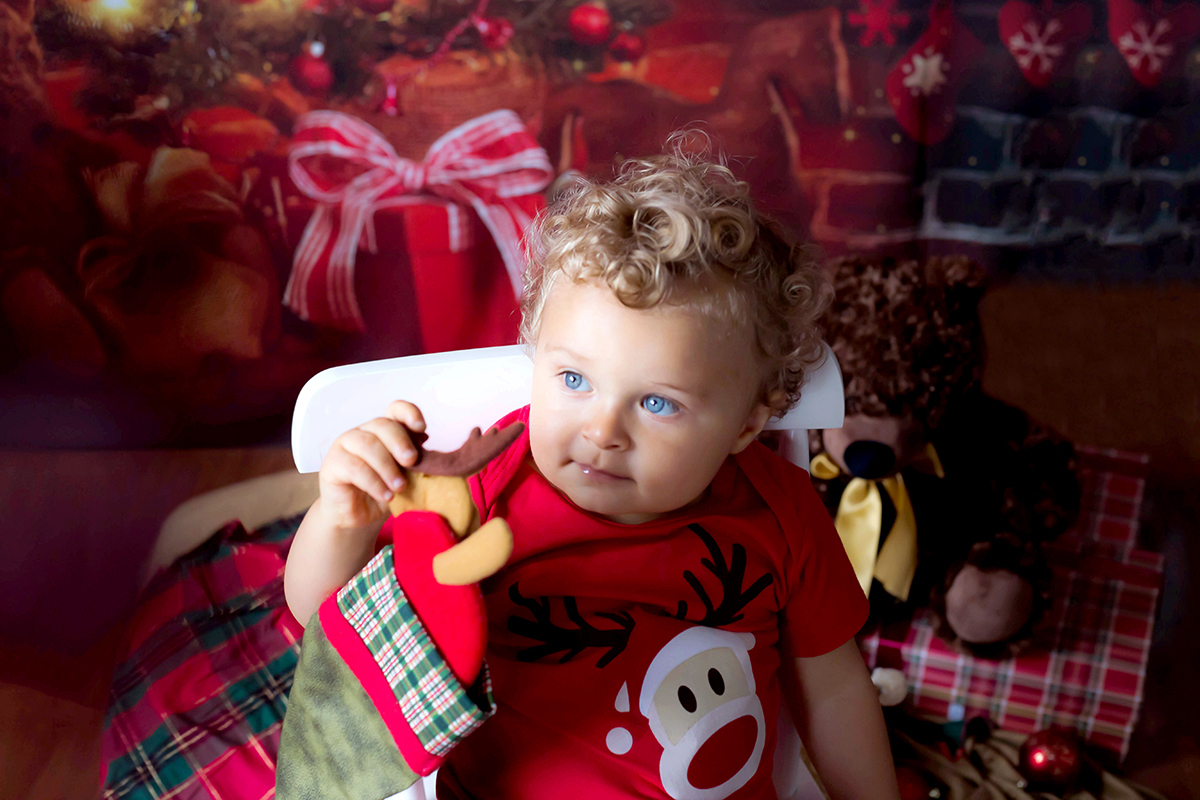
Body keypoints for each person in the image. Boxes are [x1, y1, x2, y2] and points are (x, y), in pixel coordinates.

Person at [284, 133, 900, 800]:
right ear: (537, 357)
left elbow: (832, 687)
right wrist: (341, 518)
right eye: (574, 380)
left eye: (659, 402)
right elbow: (327, 615)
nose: (603, 431)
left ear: (746, 425)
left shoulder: (778, 510)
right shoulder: (482, 485)